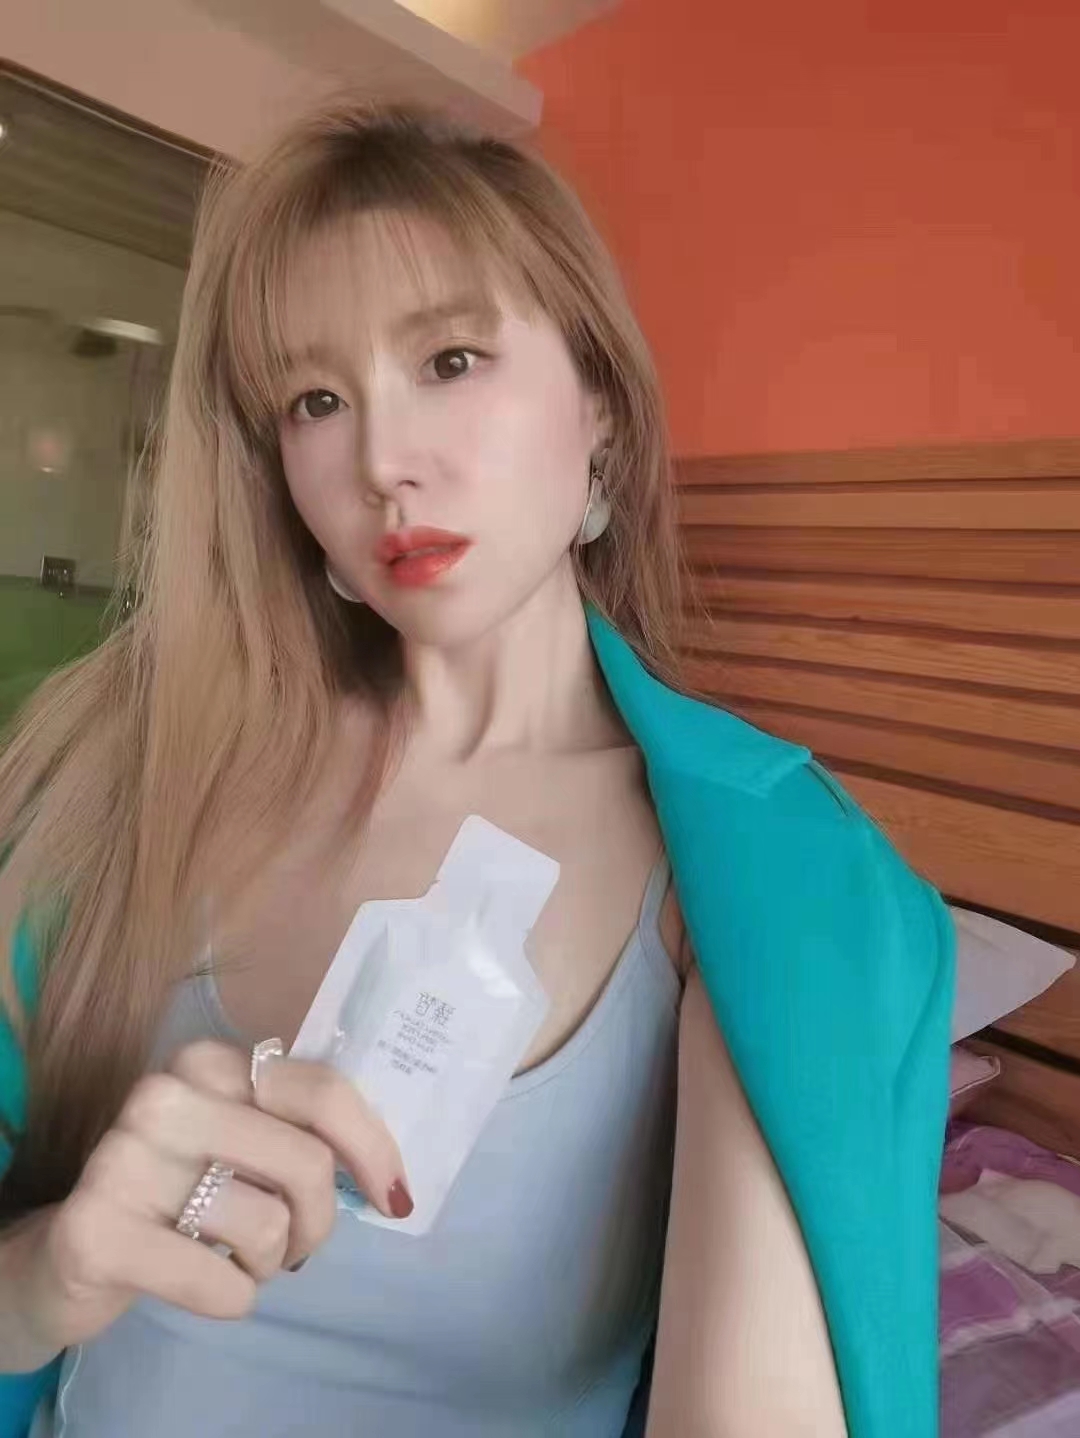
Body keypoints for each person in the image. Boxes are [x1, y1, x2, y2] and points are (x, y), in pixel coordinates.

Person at [0, 102, 952, 1438]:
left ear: (599, 407)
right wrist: (49, 1272)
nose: (383, 463)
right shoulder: (118, 768)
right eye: (316, 400)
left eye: (450, 358)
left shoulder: (758, 881)